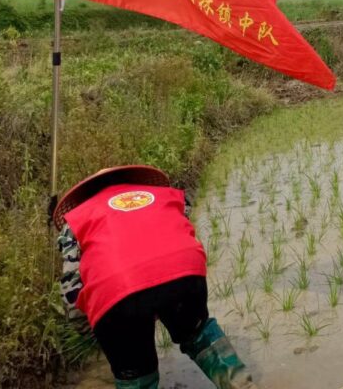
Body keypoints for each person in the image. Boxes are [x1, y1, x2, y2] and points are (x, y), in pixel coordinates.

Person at [53, 165, 258, 389]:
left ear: (87, 195)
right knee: (197, 333)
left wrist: (94, 331)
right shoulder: (163, 196)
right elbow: (179, 238)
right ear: (134, 182)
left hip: (117, 294)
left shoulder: (75, 221)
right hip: (185, 272)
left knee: (137, 374)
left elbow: (72, 298)